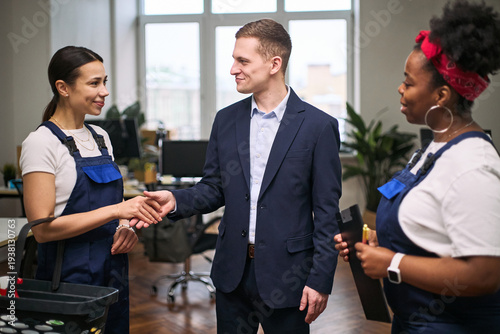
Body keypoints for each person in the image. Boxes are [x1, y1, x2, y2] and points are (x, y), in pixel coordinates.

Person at [137, 19, 342, 333]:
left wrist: (321, 280)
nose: (233, 69)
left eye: (242, 61)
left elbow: (327, 213)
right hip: (232, 273)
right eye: (234, 60)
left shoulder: (318, 127)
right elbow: (214, 187)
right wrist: (176, 199)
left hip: (288, 277)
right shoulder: (226, 120)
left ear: (275, 64)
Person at [335, 1, 500, 333]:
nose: (401, 88)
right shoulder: (432, 150)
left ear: (441, 95)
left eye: (408, 82)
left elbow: (485, 273)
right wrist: (381, 243)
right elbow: (435, 236)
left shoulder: (472, 167)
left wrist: (393, 263)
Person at [20, 46, 163, 334]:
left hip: (112, 272)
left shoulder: (100, 137)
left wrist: (125, 225)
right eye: (94, 83)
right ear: (63, 87)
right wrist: (116, 211)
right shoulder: (41, 143)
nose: (105, 91)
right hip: (67, 278)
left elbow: (114, 200)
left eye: (105, 81)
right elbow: (43, 228)